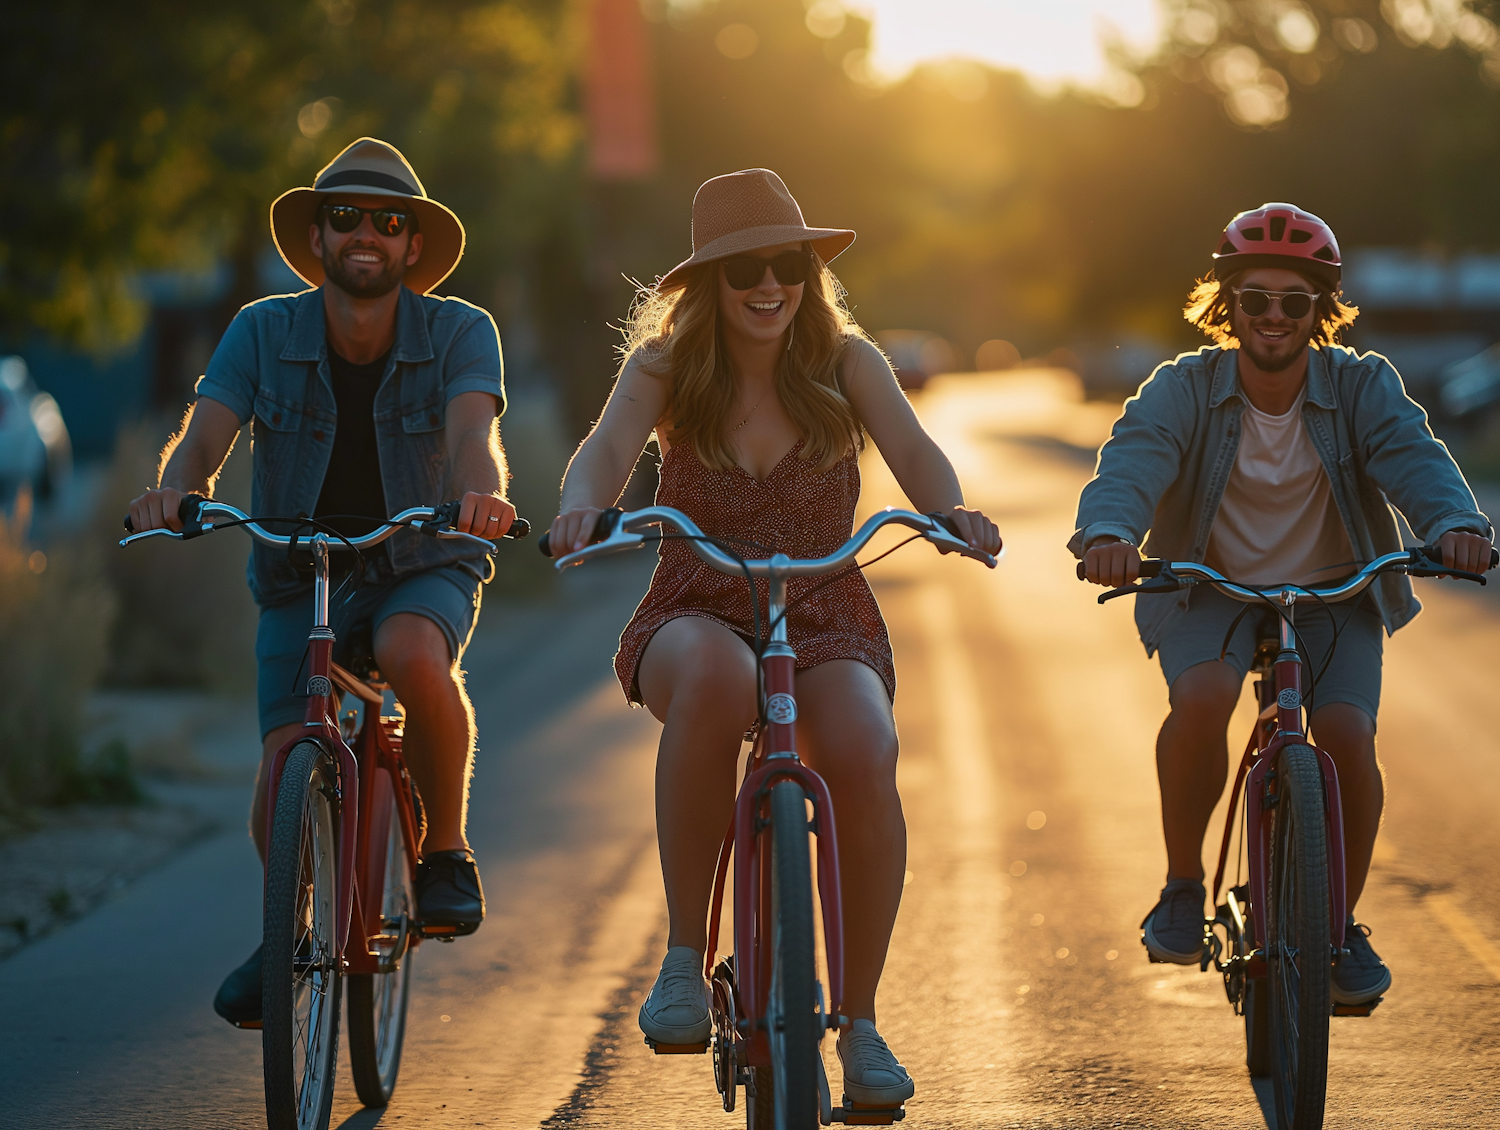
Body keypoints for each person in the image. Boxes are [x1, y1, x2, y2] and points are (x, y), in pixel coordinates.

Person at [547, 168, 1001, 1107]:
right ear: (708, 280)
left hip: (825, 608)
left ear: (809, 272)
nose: (770, 285)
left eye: (788, 264)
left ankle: (862, 1025)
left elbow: (914, 451)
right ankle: (682, 958)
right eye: (745, 266)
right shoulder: (667, 367)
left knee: (865, 748)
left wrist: (951, 511)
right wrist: (581, 510)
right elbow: (605, 447)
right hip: (695, 604)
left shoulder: (848, 363)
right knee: (716, 680)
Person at [127, 138, 515, 1026]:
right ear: (319, 238)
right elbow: (204, 437)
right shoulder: (261, 330)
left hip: (423, 556)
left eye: (389, 221)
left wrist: (481, 496)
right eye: (346, 218)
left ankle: (445, 851)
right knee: (281, 762)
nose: (367, 235)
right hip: (299, 572)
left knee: (410, 650)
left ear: (414, 245)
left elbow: (471, 437)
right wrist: (176, 491)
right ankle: (288, 932)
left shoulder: (461, 329)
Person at [1073, 203, 1494, 1006]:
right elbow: (1136, 456)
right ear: (1224, 304)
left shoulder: (1362, 384)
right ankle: (1182, 886)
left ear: (1320, 310)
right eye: (1254, 299)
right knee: (1202, 696)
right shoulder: (1185, 387)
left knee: (1344, 733)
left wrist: (1455, 523)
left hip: (1334, 591)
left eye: (1294, 301)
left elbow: (1414, 455)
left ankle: (1337, 928)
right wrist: (1109, 532)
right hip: (1210, 585)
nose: (1273, 316)